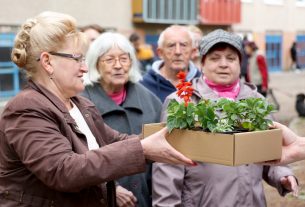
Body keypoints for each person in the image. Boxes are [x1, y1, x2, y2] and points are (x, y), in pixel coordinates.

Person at [0, 11, 194, 207]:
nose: (85, 68)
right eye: (77, 59)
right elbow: (63, 170)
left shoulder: (80, 104)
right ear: (48, 62)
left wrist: (172, 137)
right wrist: (142, 149)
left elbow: (116, 141)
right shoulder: (26, 108)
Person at [152, 29, 298, 207]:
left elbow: (269, 151)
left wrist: (283, 174)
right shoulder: (182, 102)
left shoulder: (256, 101)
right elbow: (167, 163)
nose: (223, 64)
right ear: (202, 63)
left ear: (240, 63)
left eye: (231, 58)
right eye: (215, 58)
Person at [81, 32, 162, 207]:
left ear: (131, 63)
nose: (118, 66)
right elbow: (74, 158)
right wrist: (110, 189)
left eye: (124, 59)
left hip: (145, 198)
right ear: (95, 64)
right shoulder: (80, 101)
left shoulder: (149, 99)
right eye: (109, 60)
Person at [140, 25, 201, 103]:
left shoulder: (203, 84)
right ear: (160, 53)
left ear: (193, 52)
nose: (177, 52)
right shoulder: (144, 86)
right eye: (171, 45)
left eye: (183, 45)